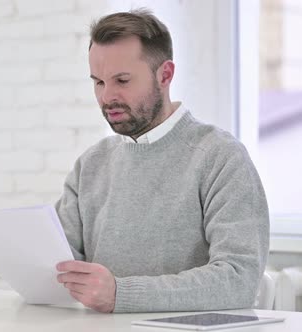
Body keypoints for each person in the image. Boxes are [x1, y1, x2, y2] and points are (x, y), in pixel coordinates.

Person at [54, 8, 269, 313]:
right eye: (98, 82)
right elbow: (57, 266)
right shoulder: (91, 164)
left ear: (165, 75)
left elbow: (239, 280)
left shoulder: (220, 157)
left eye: (122, 80)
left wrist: (121, 294)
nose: (106, 97)